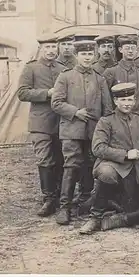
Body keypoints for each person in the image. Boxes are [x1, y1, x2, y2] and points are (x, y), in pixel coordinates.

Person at [79, 83, 139, 234]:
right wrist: (125, 154)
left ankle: (107, 203)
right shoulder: (106, 121)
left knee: (131, 208)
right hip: (113, 164)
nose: (127, 104)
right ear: (116, 101)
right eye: (123, 100)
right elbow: (98, 148)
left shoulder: (138, 120)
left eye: (130, 100)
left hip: (134, 169)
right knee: (106, 174)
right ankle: (95, 217)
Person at [51, 40, 113, 225]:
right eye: (83, 54)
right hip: (71, 130)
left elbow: (108, 109)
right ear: (77, 55)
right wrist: (75, 112)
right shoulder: (65, 76)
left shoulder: (99, 78)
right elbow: (56, 103)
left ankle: (85, 202)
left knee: (90, 165)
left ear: (94, 55)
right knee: (71, 166)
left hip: (93, 131)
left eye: (90, 54)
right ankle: (65, 207)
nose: (87, 57)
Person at [17, 33, 66, 217]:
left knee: (61, 158)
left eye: (54, 47)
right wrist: (47, 93)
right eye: (48, 48)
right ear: (41, 49)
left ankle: (61, 196)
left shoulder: (63, 68)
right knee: (45, 159)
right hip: (41, 122)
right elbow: (22, 93)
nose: (51, 51)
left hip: (61, 122)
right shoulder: (31, 68)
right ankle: (48, 198)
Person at [103, 35, 139, 115]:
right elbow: (106, 99)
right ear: (120, 50)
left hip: (137, 118)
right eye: (127, 48)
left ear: (137, 50)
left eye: (133, 48)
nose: (130, 51)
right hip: (117, 119)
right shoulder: (111, 72)